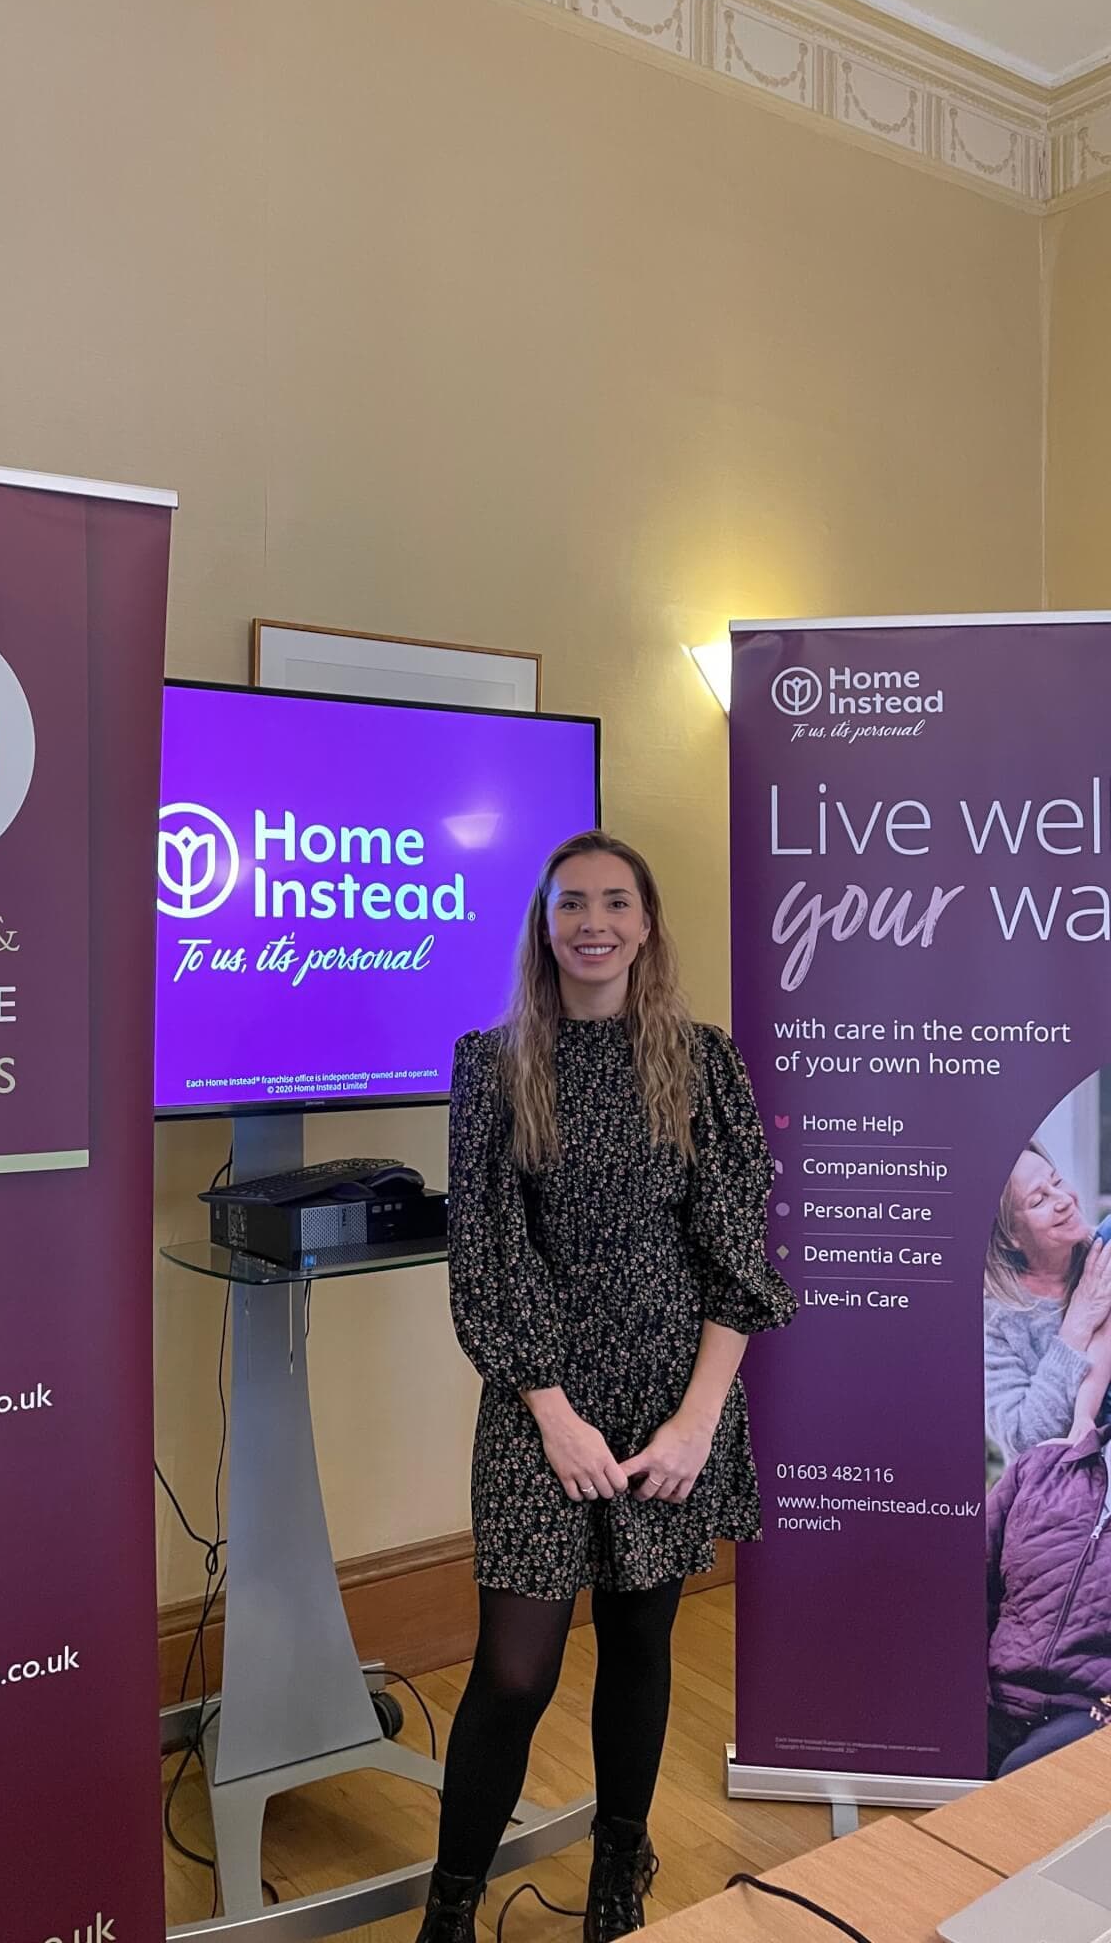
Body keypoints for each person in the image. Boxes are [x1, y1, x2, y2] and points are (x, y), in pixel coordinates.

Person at [419, 830, 795, 1943]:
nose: (593, 920)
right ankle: (450, 1909)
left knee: (640, 1643)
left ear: (646, 922)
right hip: (541, 1406)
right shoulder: (492, 1065)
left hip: (672, 1401)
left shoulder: (703, 1060)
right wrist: (552, 1412)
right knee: (515, 1669)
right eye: (570, 901)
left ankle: (621, 1868)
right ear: (544, 923)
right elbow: (484, 1256)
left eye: (615, 901)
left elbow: (737, 1260)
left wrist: (695, 1422)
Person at [986, 1422, 1111, 1777]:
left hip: (1089, 1713)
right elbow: (966, 1592)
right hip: (993, 1695)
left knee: (1022, 1780)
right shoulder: (1039, 1468)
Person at [984, 1142, 1111, 1463]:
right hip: (1067, 1496)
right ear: (1010, 1235)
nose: (1065, 1200)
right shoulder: (992, 1317)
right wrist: (1077, 1323)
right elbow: (1025, 1440)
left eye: (1057, 1182)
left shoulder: (1103, 1255)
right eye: (1039, 1199)